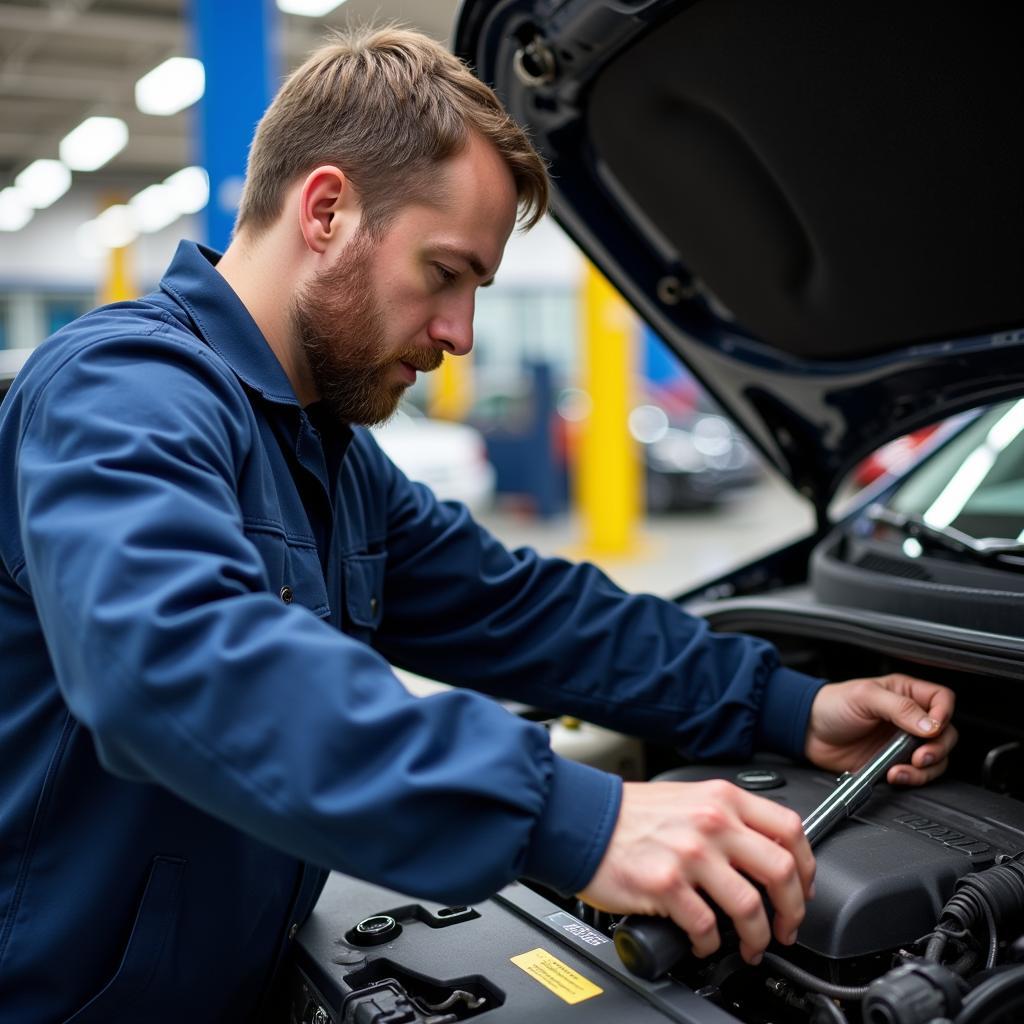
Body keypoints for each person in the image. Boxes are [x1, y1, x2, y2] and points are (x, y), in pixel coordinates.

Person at [0, 26, 956, 1023]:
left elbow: (528, 609)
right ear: (326, 210)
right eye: (445, 272)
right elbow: (173, 657)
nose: (459, 333)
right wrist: (580, 819)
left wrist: (789, 705)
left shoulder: (328, 459)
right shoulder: (121, 389)